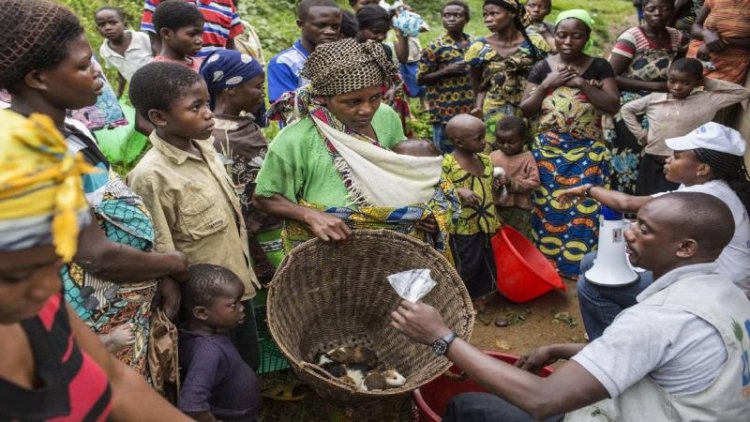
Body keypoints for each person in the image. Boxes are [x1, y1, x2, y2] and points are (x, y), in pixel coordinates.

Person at [391, 191, 750, 421]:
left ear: (685, 248)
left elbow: (544, 400)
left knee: (467, 408)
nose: (628, 232)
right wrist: (560, 347)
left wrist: (443, 338)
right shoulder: (727, 294)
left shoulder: (658, 318)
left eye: (644, 228)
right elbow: (667, 357)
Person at [0, 0, 189, 384]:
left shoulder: (71, 129)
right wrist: (175, 264)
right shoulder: (27, 154)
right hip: (86, 314)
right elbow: (97, 257)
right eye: (84, 65)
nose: (97, 73)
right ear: (37, 78)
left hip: (118, 299)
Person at [0, 108, 190, 422]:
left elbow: (115, 382)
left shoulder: (39, 308)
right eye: (17, 274)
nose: (49, 288)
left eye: (53, 266)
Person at [256, 39, 456, 257]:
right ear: (325, 99)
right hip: (330, 253)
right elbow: (264, 197)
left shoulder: (386, 117)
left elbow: (404, 171)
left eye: (375, 97)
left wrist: (428, 213)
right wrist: (308, 215)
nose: (367, 109)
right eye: (352, 102)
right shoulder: (295, 139)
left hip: (393, 249)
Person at [558, 122, 750, 339]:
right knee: (593, 261)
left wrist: (587, 189)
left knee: (592, 286)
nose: (668, 159)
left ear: (702, 169)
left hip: (713, 293)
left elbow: (627, 203)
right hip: (698, 274)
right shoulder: (704, 187)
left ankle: (616, 346)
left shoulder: (707, 194)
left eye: (677, 156)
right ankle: (622, 322)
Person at [128, 62, 262, 370]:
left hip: (237, 281)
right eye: (195, 107)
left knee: (246, 360)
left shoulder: (205, 146)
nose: (208, 113)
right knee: (214, 369)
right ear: (159, 118)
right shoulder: (151, 176)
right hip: (203, 306)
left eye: (207, 103)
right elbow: (161, 247)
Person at [519, 9, 620, 278]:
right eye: (562, 35)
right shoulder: (542, 67)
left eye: (576, 36)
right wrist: (546, 85)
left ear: (586, 37)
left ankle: (577, 266)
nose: (568, 41)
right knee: (546, 207)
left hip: (587, 152)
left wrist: (582, 84)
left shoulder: (599, 66)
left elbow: (612, 104)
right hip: (547, 153)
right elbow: (525, 109)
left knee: (584, 210)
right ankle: (545, 266)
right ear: (555, 36)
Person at [198, 49, 283, 283]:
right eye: (257, 86)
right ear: (231, 89)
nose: (262, 92)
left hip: (269, 224)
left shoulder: (239, 126)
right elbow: (241, 200)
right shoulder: (223, 137)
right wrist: (255, 248)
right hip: (258, 235)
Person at [620, 58, 750, 195]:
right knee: (643, 195)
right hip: (652, 158)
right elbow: (626, 110)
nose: (677, 87)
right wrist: (640, 134)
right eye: (672, 81)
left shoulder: (708, 100)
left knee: (672, 200)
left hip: (684, 166)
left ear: (697, 82)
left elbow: (742, 93)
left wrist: (706, 82)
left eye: (686, 82)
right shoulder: (655, 98)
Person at [607, 0, 688, 194]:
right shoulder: (632, 37)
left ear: (672, 11)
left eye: (664, 8)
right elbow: (611, 75)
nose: (657, 13)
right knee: (628, 157)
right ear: (643, 10)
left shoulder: (679, 38)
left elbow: (682, 70)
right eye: (651, 9)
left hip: (664, 106)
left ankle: (651, 203)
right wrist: (654, 86)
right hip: (631, 107)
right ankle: (624, 205)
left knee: (656, 160)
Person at [179, 264, 261, 422]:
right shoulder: (207, 351)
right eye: (233, 305)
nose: (241, 308)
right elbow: (191, 405)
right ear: (202, 313)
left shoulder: (207, 333)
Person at [466, 0, 549, 146]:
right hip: (494, 110)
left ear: (512, 13)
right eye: (485, 15)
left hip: (530, 108)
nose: (488, 19)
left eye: (494, 14)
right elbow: (477, 83)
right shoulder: (479, 47)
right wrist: (477, 108)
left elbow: (545, 75)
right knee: (495, 152)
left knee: (530, 151)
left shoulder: (534, 43)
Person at [442, 114, 500, 303]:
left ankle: (480, 296)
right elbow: (437, 189)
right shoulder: (447, 164)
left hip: (485, 223)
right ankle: (458, 301)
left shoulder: (485, 161)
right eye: (479, 138)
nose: (485, 141)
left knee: (485, 260)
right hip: (462, 227)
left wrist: (498, 187)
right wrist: (458, 190)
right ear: (458, 142)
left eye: (484, 136)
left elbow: (489, 191)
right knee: (466, 263)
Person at [418, 1, 475, 153]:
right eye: (447, 15)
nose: (451, 19)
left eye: (457, 15)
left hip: (471, 108)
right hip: (444, 111)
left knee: (471, 150)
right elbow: (421, 79)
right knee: (445, 155)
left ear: (466, 19)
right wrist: (447, 70)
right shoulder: (435, 46)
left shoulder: (475, 44)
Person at [267, 0, 342, 103]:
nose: (330, 31)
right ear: (300, 24)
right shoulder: (285, 62)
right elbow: (284, 108)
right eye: (321, 25)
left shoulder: (345, 58)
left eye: (335, 27)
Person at [489, 116, 539, 239]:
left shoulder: (527, 158)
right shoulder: (493, 156)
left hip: (519, 210)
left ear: (524, 140)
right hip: (496, 207)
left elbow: (534, 182)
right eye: (500, 142)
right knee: (497, 237)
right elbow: (484, 176)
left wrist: (512, 182)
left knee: (519, 238)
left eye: (511, 142)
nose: (505, 146)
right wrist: (492, 183)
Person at [140, 0, 244, 58]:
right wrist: (171, 69)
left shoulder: (226, 3)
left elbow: (231, 46)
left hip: (217, 78)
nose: (200, 40)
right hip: (177, 78)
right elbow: (155, 42)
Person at [95, 6, 154, 98]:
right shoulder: (105, 51)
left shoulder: (141, 38)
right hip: (141, 92)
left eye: (113, 23)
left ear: (124, 23)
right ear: (97, 29)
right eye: (102, 25)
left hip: (160, 83)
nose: (107, 27)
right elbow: (121, 71)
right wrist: (119, 92)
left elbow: (160, 56)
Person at [688, 0, 750, 85]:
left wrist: (722, 41)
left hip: (729, 68)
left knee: (717, 95)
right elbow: (694, 27)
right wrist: (705, 34)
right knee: (687, 92)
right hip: (697, 59)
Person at [152, 0, 205, 72]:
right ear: (166, 33)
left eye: (201, 34)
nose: (200, 41)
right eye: (192, 34)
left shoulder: (202, 65)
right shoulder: (157, 71)